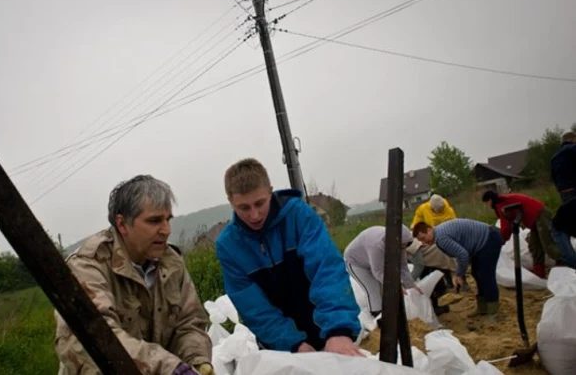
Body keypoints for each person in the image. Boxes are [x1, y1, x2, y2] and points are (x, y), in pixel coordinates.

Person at [54, 175, 214, 375]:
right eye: (154, 220)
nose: (166, 230)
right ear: (122, 224)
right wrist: (169, 368)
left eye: (168, 219)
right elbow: (93, 338)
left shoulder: (171, 263)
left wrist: (197, 362)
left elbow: (189, 323)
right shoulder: (88, 266)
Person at [215, 158, 364, 356]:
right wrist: (293, 345)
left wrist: (338, 330)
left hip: (326, 329)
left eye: (260, 203)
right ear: (231, 202)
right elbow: (254, 308)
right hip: (280, 343)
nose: (255, 215)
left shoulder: (298, 216)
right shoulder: (229, 246)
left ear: (270, 191)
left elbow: (326, 270)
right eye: (244, 208)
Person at [412, 218, 504, 321]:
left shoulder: (441, 238)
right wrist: (460, 273)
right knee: (477, 273)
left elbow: (462, 255)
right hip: (483, 241)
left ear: (429, 230)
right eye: (420, 241)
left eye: (424, 238)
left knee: (486, 276)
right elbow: (462, 252)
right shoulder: (438, 233)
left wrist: (459, 274)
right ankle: (483, 307)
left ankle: (493, 312)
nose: (424, 242)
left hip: (489, 240)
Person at [343, 225, 423, 321]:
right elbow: (378, 271)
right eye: (402, 245)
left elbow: (403, 266)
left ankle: (390, 314)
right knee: (373, 290)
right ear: (395, 241)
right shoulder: (376, 244)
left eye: (405, 245)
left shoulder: (400, 243)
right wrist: (396, 285)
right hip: (356, 262)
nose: (403, 248)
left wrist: (411, 285)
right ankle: (378, 317)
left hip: (371, 259)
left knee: (384, 288)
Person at [482, 190, 562, 279]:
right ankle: (539, 275)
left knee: (548, 244)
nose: (487, 206)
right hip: (533, 220)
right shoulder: (504, 201)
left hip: (539, 214)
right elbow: (509, 222)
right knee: (534, 247)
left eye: (486, 203)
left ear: (490, 200)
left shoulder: (502, 205)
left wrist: (501, 240)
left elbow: (506, 227)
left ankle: (566, 265)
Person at [408, 194, 458, 312]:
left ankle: (445, 288)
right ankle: (439, 293)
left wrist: (408, 283)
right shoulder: (423, 209)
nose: (439, 212)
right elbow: (416, 225)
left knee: (441, 265)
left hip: (441, 240)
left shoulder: (448, 210)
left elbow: (454, 224)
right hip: (430, 239)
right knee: (434, 269)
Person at [551, 131, 576, 203]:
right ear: (573, 139)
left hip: (564, 192)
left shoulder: (554, 157)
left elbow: (554, 177)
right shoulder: (573, 148)